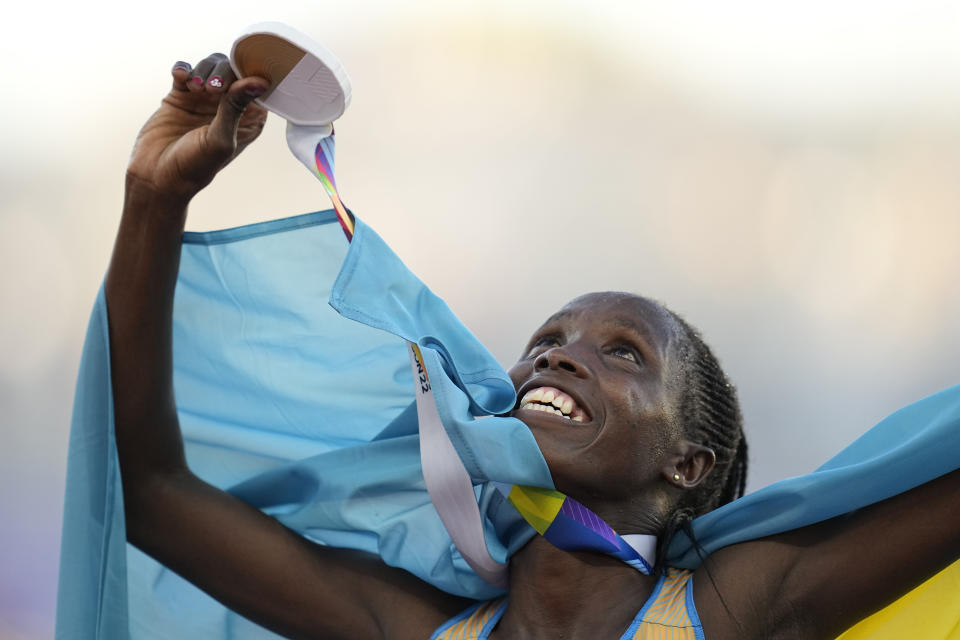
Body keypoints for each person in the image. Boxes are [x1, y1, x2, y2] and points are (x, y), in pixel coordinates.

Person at [100, 53, 959, 640]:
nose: (557, 355)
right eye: (545, 341)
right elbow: (153, 494)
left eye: (624, 353)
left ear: (689, 464)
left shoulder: (736, 606)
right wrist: (152, 195)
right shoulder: (411, 624)